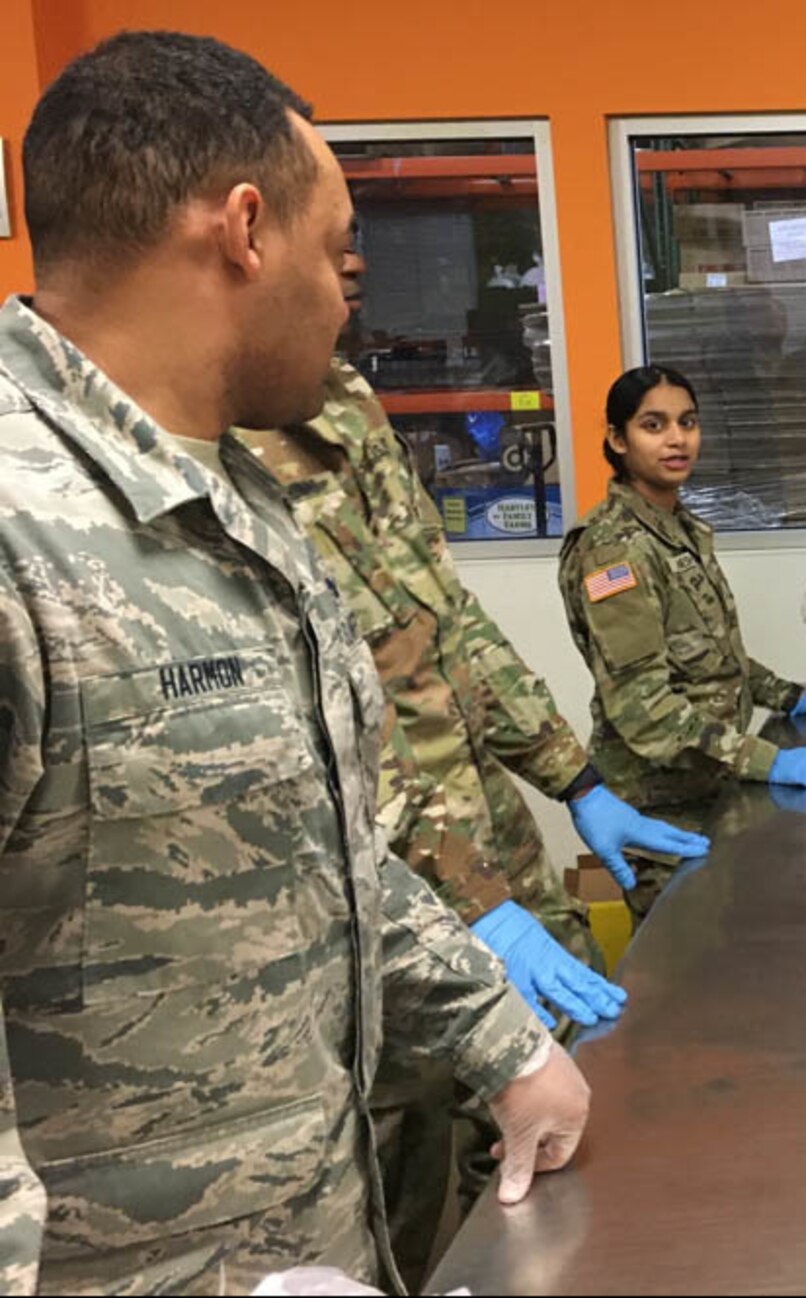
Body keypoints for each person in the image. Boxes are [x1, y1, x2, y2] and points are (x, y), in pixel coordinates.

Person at [0, 31, 589, 1292]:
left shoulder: (241, 501)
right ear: (245, 231)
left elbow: (312, 851)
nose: (343, 297)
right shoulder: (18, 531)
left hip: (310, 1238)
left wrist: (502, 1039)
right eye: (335, 256)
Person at [231, 263, 710, 1281]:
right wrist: (468, 896)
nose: (356, 276)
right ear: (244, 234)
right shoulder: (211, 432)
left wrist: (573, 779)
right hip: (392, 883)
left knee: (558, 1122)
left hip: (484, 832)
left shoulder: (344, 401)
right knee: (424, 1162)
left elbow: (447, 620)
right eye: (334, 247)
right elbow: (320, 712)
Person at [560, 365, 806, 917]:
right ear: (618, 440)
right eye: (653, 425)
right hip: (660, 810)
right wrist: (766, 760)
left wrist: (789, 696)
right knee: (685, 977)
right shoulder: (615, 551)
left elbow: (711, 653)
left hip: (710, 787)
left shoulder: (679, 528)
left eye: (687, 422)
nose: (676, 439)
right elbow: (645, 711)